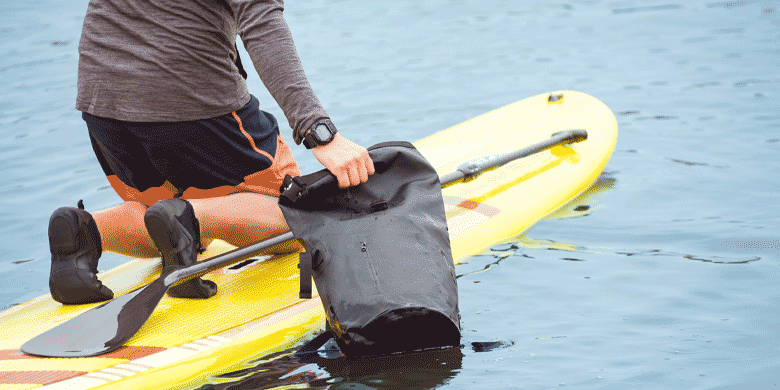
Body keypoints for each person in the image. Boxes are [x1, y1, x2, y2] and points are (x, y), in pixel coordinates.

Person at [48, 0, 375, 304]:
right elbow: (260, 20)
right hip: (188, 98)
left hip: (103, 104)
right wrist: (321, 134)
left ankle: (85, 232)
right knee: (297, 223)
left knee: (162, 211)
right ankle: (187, 220)